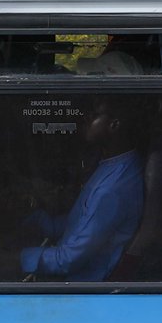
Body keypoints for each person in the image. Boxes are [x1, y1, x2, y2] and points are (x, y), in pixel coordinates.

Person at [20, 95, 145, 281]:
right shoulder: (114, 165)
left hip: (82, 284)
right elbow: (79, 223)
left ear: (114, 125)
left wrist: (18, 258)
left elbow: (70, 259)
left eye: (94, 115)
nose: (86, 118)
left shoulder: (111, 189)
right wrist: (35, 221)